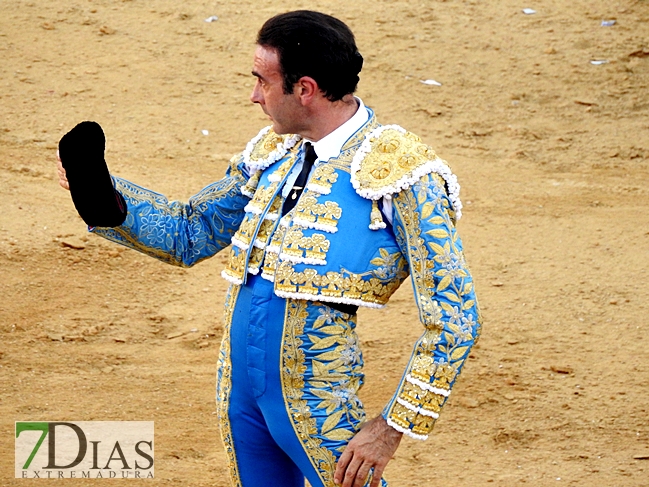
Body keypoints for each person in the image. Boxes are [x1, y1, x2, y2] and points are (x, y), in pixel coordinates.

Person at [56, 10, 481, 487]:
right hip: (241, 393)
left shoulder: (401, 174)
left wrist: (391, 426)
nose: (254, 95)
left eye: (262, 80)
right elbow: (190, 232)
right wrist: (105, 198)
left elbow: (456, 316)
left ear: (305, 88)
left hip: (318, 402)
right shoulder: (273, 152)